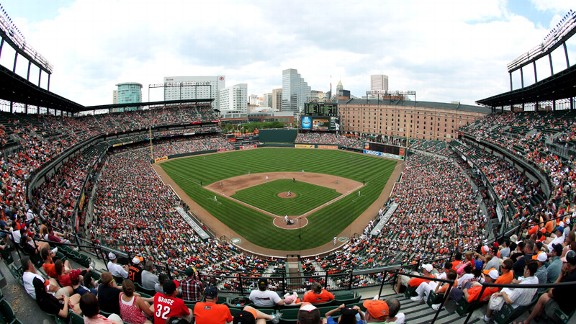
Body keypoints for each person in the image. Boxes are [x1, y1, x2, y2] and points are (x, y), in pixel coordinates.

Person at [519, 250, 576, 324]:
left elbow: (550, 293)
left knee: (544, 296)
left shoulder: (569, 280)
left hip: (562, 311)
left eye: (564, 263)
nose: (562, 264)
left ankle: (526, 321)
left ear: (567, 265)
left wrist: (561, 275)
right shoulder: (572, 274)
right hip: (569, 304)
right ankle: (538, 314)